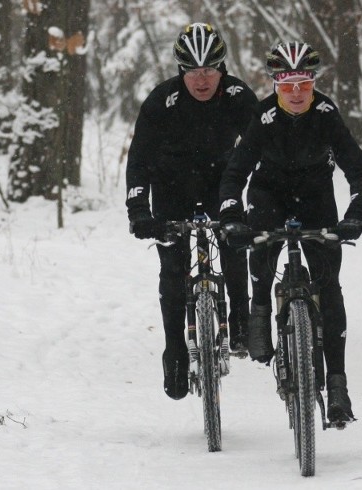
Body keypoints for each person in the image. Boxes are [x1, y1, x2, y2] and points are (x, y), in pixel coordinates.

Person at [218, 41, 362, 423]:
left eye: (304, 84)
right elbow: (235, 174)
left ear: (314, 83)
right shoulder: (264, 117)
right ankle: (259, 307)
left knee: (329, 285)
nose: (296, 93)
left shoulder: (326, 113)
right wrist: (231, 216)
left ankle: (338, 385)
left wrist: (355, 216)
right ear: (275, 85)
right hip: (268, 193)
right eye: (287, 85)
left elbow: (359, 173)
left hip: (315, 196)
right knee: (261, 241)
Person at [125, 23, 258, 400]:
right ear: (180, 71)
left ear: (223, 69)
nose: (202, 80)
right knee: (172, 268)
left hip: (222, 182)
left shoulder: (238, 97)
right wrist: (138, 208)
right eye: (193, 72)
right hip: (171, 187)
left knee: (234, 240)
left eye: (210, 71)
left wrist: (263, 199)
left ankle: (240, 317)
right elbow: (138, 159)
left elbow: (263, 150)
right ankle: (176, 350)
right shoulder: (160, 101)